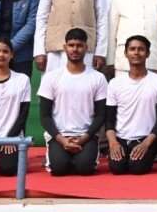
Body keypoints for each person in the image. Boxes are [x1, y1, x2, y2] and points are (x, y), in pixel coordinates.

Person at [38, 28, 109, 176]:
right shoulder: (51, 77)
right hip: (59, 135)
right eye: (71, 45)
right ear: (65, 48)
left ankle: (81, 158)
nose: (75, 49)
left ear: (86, 48)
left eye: (79, 45)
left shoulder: (98, 78)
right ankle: (63, 157)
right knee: (59, 169)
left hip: (87, 135)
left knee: (85, 169)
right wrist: (62, 140)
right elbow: (44, 116)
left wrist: (84, 138)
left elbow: (101, 115)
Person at [104, 35, 157, 175]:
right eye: (132, 49)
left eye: (141, 49)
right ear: (126, 53)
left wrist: (146, 144)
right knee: (117, 168)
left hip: (146, 139)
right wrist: (113, 144)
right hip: (121, 139)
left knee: (137, 168)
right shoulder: (115, 83)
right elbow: (109, 119)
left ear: (148, 53)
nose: (136, 53)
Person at [0, 37, 32, 178]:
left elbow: (23, 113)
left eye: (5, 51)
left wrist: (11, 138)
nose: (1, 55)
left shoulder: (22, 79)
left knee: (8, 169)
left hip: (12, 136)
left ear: (12, 54)